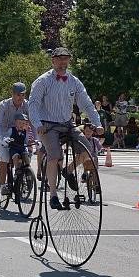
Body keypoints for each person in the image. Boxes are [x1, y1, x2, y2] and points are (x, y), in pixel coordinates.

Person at [28, 47, 103, 210]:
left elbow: (86, 103)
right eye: (60, 59)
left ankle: (68, 171)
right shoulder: (43, 81)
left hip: (67, 124)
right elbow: (33, 104)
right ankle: (53, 195)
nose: (63, 62)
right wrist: (37, 123)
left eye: (66, 59)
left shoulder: (74, 81)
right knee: (54, 155)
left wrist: (97, 123)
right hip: (48, 124)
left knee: (88, 150)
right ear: (53, 61)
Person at [0, 82, 30, 196]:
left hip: (19, 135)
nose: (21, 97)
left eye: (23, 95)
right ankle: (3, 185)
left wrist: (37, 139)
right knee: (5, 158)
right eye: (18, 95)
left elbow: (33, 123)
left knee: (27, 153)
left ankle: (23, 176)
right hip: (6, 135)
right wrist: (1, 139)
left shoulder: (27, 105)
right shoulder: (4, 105)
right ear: (13, 94)